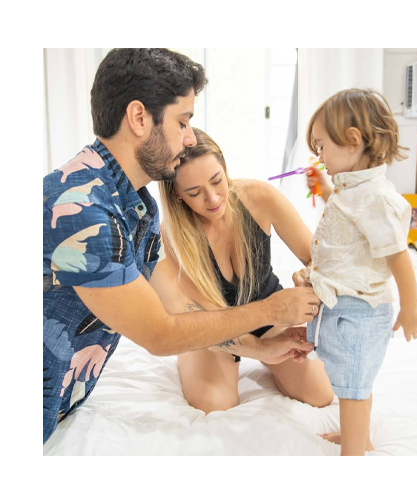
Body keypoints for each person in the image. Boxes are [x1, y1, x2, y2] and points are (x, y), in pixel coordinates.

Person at [43, 48, 320, 444]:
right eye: (183, 121)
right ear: (139, 118)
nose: (190, 137)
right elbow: (161, 334)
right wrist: (272, 310)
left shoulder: (136, 207)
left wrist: (260, 347)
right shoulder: (85, 210)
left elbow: (177, 307)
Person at [155, 128, 334, 413]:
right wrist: (260, 349)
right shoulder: (173, 239)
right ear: (177, 195)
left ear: (225, 169)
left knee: (320, 394)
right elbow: (200, 319)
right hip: (214, 331)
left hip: (270, 314)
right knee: (215, 405)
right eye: (195, 192)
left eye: (217, 181)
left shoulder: (259, 196)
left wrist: (308, 277)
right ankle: (193, 356)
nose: (213, 199)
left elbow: (317, 259)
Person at [295, 88, 417, 455]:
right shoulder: (355, 190)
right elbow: (349, 215)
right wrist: (324, 189)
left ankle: (353, 454)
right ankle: (360, 438)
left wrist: (411, 307)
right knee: (354, 384)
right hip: (346, 308)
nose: (319, 156)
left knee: (353, 389)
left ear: (353, 141)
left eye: (322, 146)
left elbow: (398, 256)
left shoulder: (376, 197)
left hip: (358, 312)